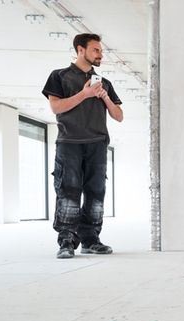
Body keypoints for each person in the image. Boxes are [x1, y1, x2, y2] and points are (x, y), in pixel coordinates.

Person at [42, 33, 123, 259]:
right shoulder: (59, 76)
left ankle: (91, 240)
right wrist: (85, 94)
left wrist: (104, 97)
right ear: (80, 50)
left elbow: (118, 116)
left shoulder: (104, 83)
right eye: (96, 50)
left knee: (96, 193)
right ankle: (66, 241)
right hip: (69, 143)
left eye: (101, 51)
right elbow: (56, 107)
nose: (100, 54)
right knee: (68, 192)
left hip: (97, 144)